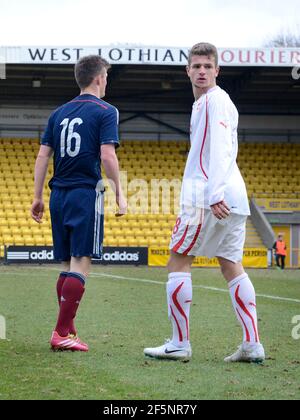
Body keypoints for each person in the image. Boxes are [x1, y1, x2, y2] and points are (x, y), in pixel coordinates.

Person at [144, 43, 265, 363]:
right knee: (230, 265)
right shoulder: (207, 104)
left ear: (216, 70)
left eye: (206, 66)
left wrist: (213, 195)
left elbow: (221, 148)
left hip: (209, 197)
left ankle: (179, 343)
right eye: (195, 66)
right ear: (187, 70)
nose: (201, 71)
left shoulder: (215, 100)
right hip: (232, 197)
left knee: (178, 260)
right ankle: (252, 344)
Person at [31, 55, 127, 352]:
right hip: (85, 193)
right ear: (99, 78)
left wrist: (37, 197)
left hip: (57, 194)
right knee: (82, 262)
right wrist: (119, 193)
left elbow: (43, 156)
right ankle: (61, 333)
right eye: (106, 77)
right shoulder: (106, 111)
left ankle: (68, 329)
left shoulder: (58, 113)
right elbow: (107, 155)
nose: (106, 82)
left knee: (66, 265)